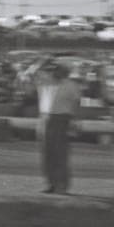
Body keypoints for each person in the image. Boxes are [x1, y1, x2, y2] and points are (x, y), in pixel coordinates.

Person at [36, 60, 82, 194]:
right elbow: (35, 72)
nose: (53, 72)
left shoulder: (71, 85)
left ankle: (62, 185)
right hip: (45, 118)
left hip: (62, 119)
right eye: (52, 69)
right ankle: (50, 184)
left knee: (60, 154)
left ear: (64, 72)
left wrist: (75, 121)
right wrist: (45, 61)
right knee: (47, 154)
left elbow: (76, 103)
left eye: (57, 69)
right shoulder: (46, 82)